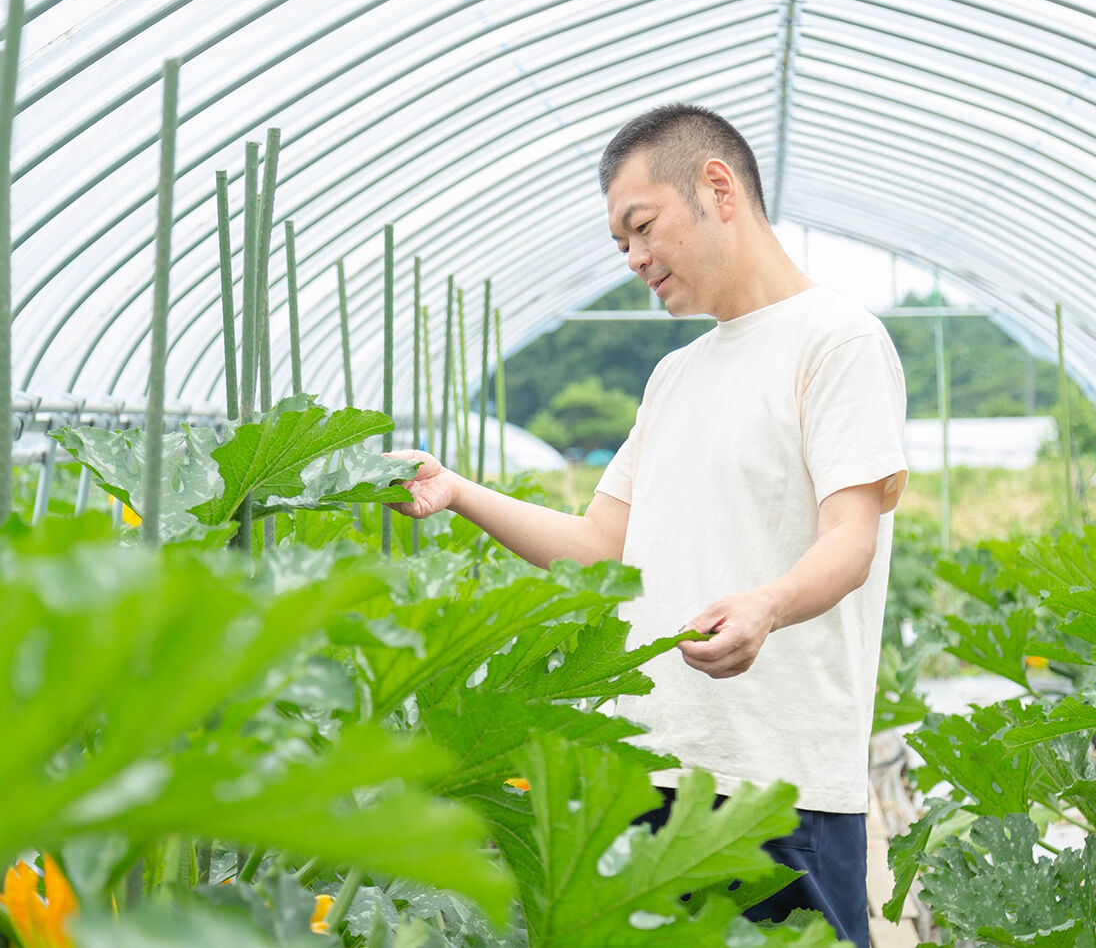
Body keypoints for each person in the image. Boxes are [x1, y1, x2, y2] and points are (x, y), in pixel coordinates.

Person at [387, 104, 907, 946]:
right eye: (621, 243)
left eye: (642, 227)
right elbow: (601, 543)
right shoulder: (675, 375)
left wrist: (767, 605)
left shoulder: (836, 341)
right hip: (652, 770)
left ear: (716, 187)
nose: (633, 259)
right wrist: (459, 491)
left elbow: (851, 535)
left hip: (776, 786)